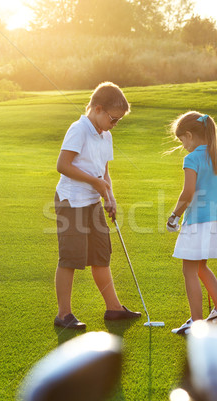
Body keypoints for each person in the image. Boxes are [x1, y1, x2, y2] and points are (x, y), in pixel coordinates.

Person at [53, 82, 141, 329]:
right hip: (71, 201)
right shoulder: (79, 129)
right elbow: (63, 165)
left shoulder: (106, 135)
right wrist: (96, 183)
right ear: (98, 109)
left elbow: (104, 171)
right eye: (113, 119)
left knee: (101, 256)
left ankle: (113, 309)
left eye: (119, 121)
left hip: (92, 202)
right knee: (70, 258)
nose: (115, 125)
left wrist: (109, 197)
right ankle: (64, 315)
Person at [167, 111, 217, 336]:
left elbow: (188, 193)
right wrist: (212, 206)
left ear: (189, 135)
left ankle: (197, 324)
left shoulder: (192, 158)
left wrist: (174, 215)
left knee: (189, 271)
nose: (182, 145)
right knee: (201, 267)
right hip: (216, 220)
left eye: (181, 140)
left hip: (196, 223)